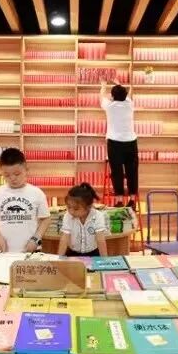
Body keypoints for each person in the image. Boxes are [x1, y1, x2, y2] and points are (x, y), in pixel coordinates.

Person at [0, 148, 51, 253]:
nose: (12, 178)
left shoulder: (37, 193)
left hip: (31, 250)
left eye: (17, 174)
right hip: (5, 251)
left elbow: (46, 219)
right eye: (7, 175)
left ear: (26, 169)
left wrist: (36, 239)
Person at [100, 79, 138, 207]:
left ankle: (119, 200)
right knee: (132, 171)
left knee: (117, 172)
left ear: (112, 96)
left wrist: (103, 85)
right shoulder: (129, 105)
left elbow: (102, 97)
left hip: (115, 143)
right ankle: (132, 200)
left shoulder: (110, 107)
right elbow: (125, 95)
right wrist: (118, 83)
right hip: (131, 142)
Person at [57, 183, 108, 257]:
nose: (71, 211)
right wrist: (59, 258)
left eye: (76, 209)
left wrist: (105, 260)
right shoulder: (67, 216)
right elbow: (64, 239)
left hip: (93, 254)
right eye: (69, 207)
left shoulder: (97, 216)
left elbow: (100, 240)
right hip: (73, 253)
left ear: (89, 207)